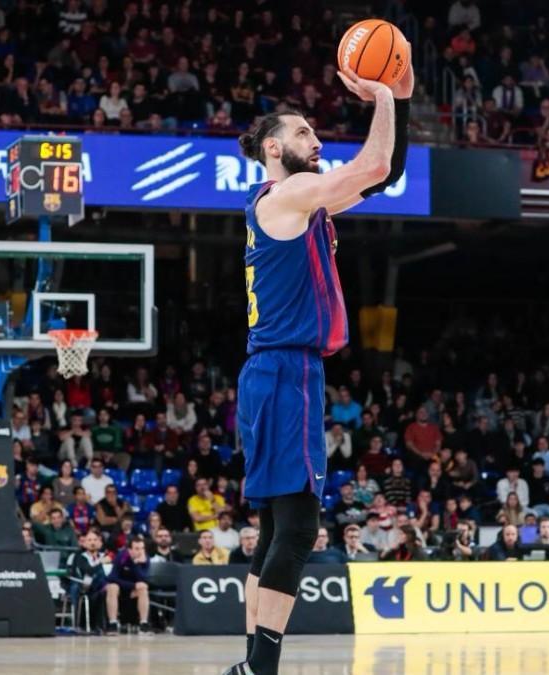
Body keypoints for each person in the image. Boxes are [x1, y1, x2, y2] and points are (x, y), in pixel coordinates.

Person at [225, 56, 413, 675]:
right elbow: (376, 164)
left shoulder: (300, 206)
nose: (317, 139)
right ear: (275, 148)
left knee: (280, 526)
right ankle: (261, 669)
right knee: (301, 529)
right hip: (284, 374)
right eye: (304, 132)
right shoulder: (291, 193)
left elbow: (385, 177)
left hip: (274, 373)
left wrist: (400, 104)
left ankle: (251, 665)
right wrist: (383, 94)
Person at [104, 536, 151, 634]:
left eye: (142, 548)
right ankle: (112, 623)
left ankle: (143, 624)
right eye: (137, 549)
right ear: (129, 550)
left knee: (143, 587)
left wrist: (136, 563)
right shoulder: (121, 557)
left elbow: (144, 579)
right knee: (112, 587)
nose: (140, 551)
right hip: (121, 587)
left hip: (134, 590)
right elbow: (112, 577)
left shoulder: (145, 559)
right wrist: (132, 586)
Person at [68, 530, 109, 615]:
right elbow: (88, 571)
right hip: (85, 586)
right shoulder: (80, 557)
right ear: (84, 543)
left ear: (99, 542)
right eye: (89, 540)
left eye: (95, 540)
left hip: (102, 586)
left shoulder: (104, 556)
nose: (92, 542)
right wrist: (100, 563)